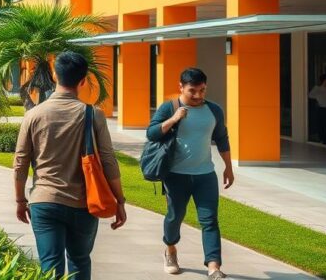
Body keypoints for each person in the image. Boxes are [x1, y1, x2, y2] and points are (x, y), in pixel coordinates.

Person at [13, 51, 127, 280]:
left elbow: (20, 163)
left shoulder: (34, 115)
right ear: (83, 80)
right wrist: (120, 201)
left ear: (55, 76)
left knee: (51, 268)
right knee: (80, 261)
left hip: (45, 202)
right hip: (83, 203)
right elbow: (108, 161)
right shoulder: (93, 114)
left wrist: (20, 200)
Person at [147, 68, 233, 279]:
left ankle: (213, 267)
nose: (198, 96)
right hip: (176, 175)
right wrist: (174, 119)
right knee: (175, 217)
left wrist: (228, 167)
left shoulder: (214, 110)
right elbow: (151, 133)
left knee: (210, 220)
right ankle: (170, 249)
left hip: (205, 175)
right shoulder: (170, 107)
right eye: (192, 91)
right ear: (181, 87)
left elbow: (222, 138)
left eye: (202, 90)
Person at [308, 74, 326, 144]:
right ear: (324, 81)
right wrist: (317, 99)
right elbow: (310, 95)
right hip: (322, 109)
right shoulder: (318, 88)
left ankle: (324, 139)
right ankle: (323, 140)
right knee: (322, 125)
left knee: (325, 125)